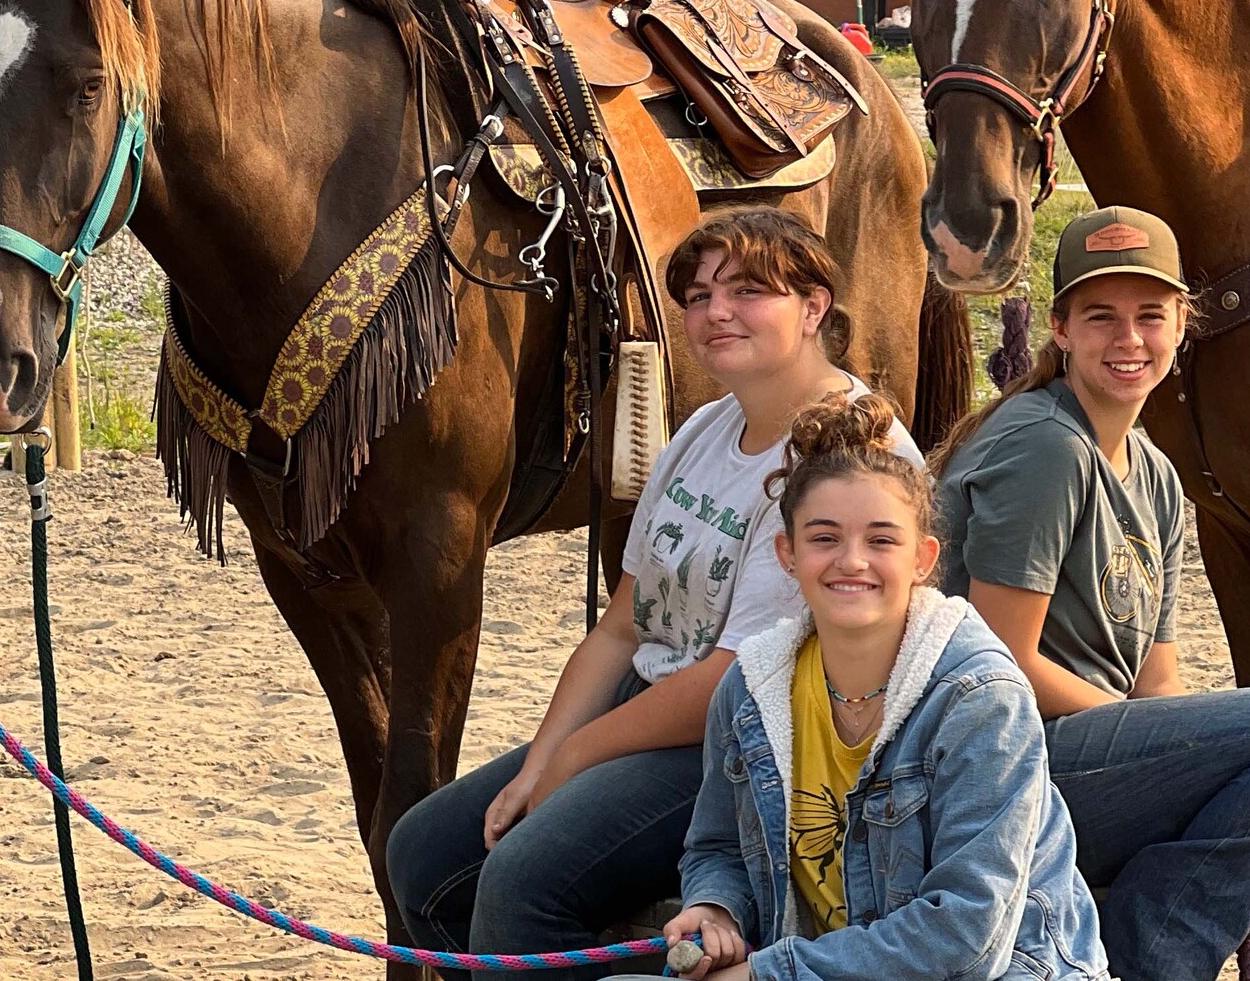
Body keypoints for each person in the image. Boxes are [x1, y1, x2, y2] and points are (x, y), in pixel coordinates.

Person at [386, 207, 922, 980]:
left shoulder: (840, 455)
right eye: (698, 297)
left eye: (747, 291)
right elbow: (620, 629)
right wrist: (544, 760)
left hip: (754, 735)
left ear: (814, 308)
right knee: (424, 853)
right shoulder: (705, 429)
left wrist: (580, 754)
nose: (716, 313)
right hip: (654, 700)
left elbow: (744, 673)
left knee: (521, 881)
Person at [933, 205, 1250, 981]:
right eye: (1101, 318)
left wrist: (1193, 756)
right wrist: (1194, 754)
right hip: (1003, 761)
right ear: (1059, 329)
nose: (1128, 340)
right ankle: (1145, 963)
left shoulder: (1155, 472)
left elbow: (1159, 676)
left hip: (1097, 758)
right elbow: (1001, 661)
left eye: (1149, 316)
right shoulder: (1046, 447)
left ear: (1181, 325)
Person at [612, 392, 1108, 981]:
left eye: (881, 540)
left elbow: (968, 937)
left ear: (923, 559)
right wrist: (715, 909)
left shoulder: (981, 698)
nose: (852, 561)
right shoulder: (751, 687)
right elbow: (718, 846)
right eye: (824, 538)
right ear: (788, 555)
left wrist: (767, 974)